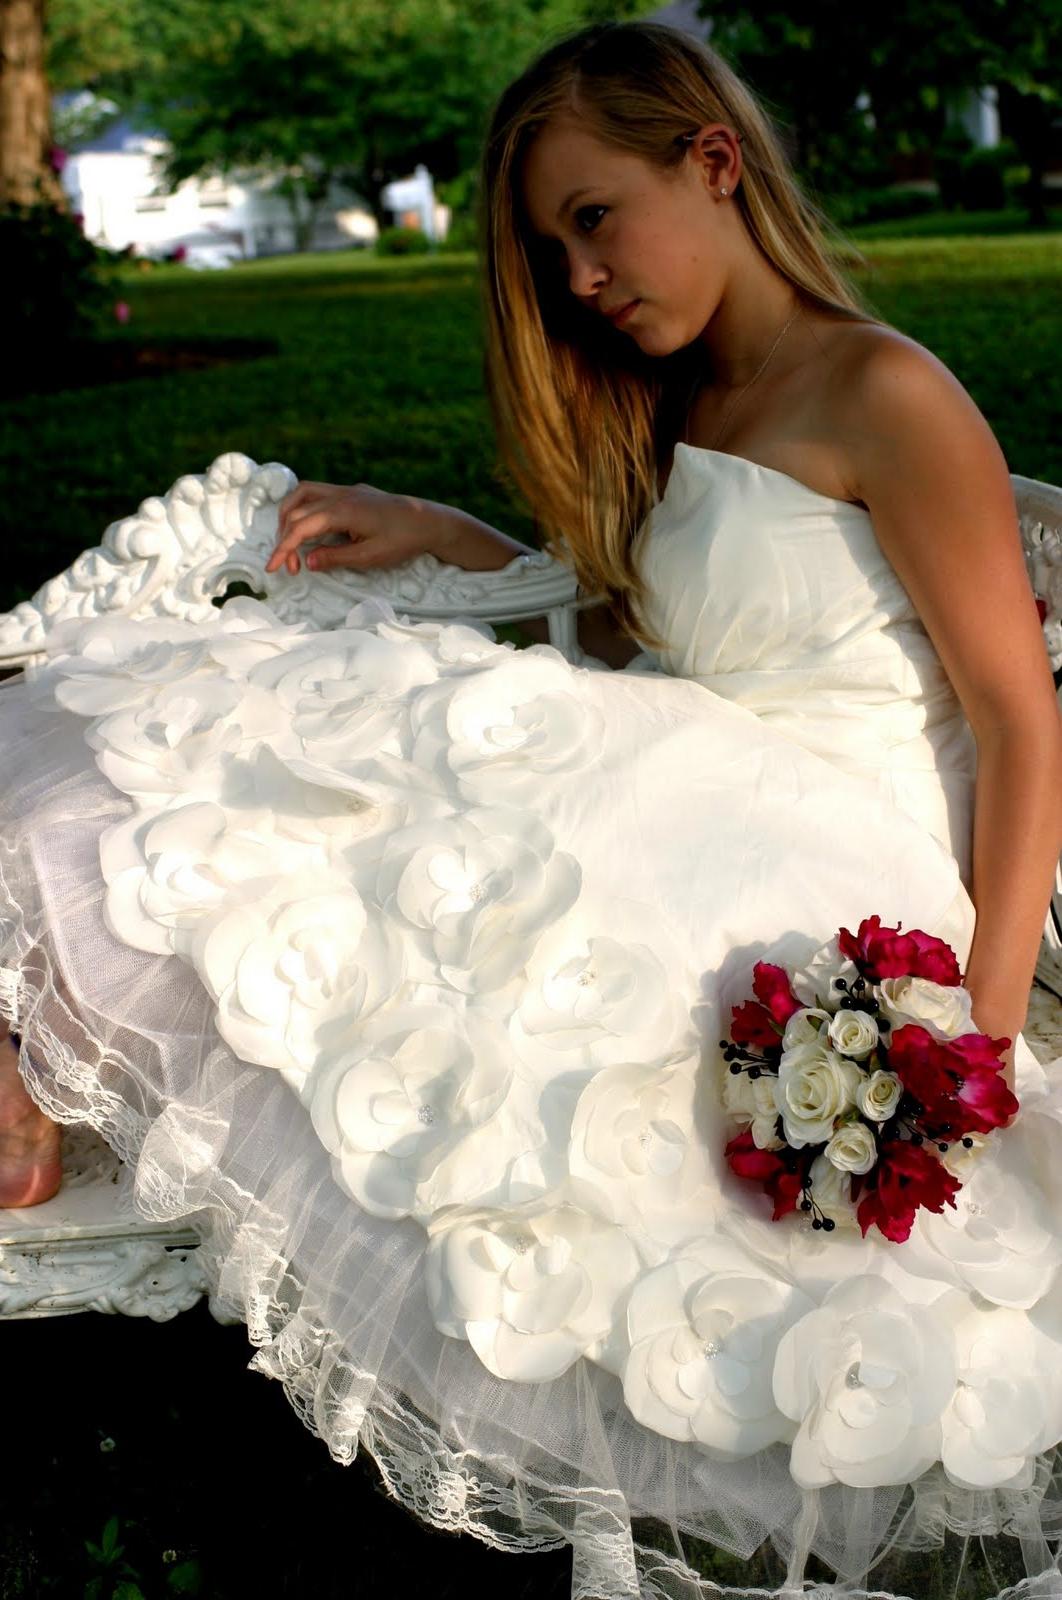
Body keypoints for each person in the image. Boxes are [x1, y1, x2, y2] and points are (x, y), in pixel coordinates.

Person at [2, 18, 1061, 1599]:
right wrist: (449, 532)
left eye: (589, 219)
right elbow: (649, 632)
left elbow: (1014, 718)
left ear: (711, 160)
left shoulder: (881, 390)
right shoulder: (696, 404)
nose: (576, 278)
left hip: (835, 838)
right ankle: (37, 1065)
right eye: (549, 246)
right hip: (710, 779)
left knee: (417, 780)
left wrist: (965, 1044)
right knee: (371, 765)